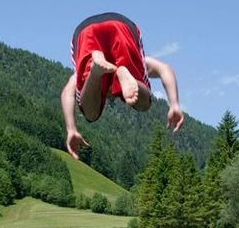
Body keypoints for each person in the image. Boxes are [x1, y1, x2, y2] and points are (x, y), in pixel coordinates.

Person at [61, 12, 183, 160]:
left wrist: (71, 128)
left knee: (91, 113)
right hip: (119, 26)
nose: (111, 96)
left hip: (86, 31)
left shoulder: (81, 79)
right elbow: (164, 68)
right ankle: (115, 71)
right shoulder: (143, 63)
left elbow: (68, 91)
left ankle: (95, 71)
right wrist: (174, 103)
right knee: (143, 104)